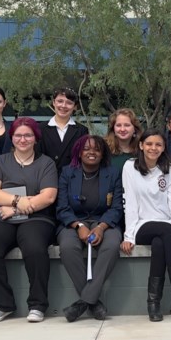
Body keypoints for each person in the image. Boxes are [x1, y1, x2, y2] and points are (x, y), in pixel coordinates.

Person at [0, 117, 58, 323]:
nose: (23, 139)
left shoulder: (46, 163)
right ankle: (2, 304)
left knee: (34, 248)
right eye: (18, 135)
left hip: (36, 218)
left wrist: (14, 207)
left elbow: (48, 196)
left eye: (28, 135)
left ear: (35, 138)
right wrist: (17, 200)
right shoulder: (0, 161)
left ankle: (38, 305)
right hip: (2, 218)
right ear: (12, 138)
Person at [120, 130, 171, 322]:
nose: (153, 148)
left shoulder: (169, 169)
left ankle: (153, 302)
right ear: (141, 145)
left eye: (158, 144)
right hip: (142, 226)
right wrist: (129, 236)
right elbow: (130, 203)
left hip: (166, 229)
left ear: (164, 147)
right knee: (166, 231)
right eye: (149, 144)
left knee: (160, 243)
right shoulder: (129, 167)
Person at [56, 135, 124, 322]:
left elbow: (117, 207)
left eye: (96, 149)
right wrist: (78, 226)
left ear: (103, 154)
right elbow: (62, 207)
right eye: (86, 148)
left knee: (111, 245)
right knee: (68, 248)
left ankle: (83, 302)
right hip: (73, 221)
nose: (91, 152)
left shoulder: (113, 173)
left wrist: (101, 227)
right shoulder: (67, 172)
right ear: (79, 151)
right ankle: (93, 302)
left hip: (104, 220)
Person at [37, 86, 88, 173]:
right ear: (53, 102)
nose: (63, 106)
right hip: (45, 178)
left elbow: (82, 159)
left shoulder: (82, 131)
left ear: (75, 106)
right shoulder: (40, 128)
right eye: (60, 101)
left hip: (72, 178)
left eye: (69, 103)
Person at [104, 107, 142, 176]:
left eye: (127, 125)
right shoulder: (104, 150)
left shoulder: (142, 151)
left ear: (134, 129)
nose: (122, 129)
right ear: (113, 129)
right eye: (118, 125)